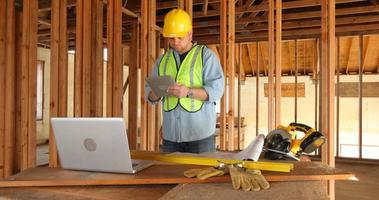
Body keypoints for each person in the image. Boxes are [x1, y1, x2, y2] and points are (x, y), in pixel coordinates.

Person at [145, 8, 225, 153]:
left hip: (200, 138)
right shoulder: (162, 60)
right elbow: (149, 95)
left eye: (180, 38)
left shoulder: (205, 56)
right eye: (171, 38)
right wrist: (156, 93)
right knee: (170, 176)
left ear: (190, 33)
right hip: (171, 138)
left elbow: (217, 90)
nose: (175, 43)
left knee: (202, 175)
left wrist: (188, 92)